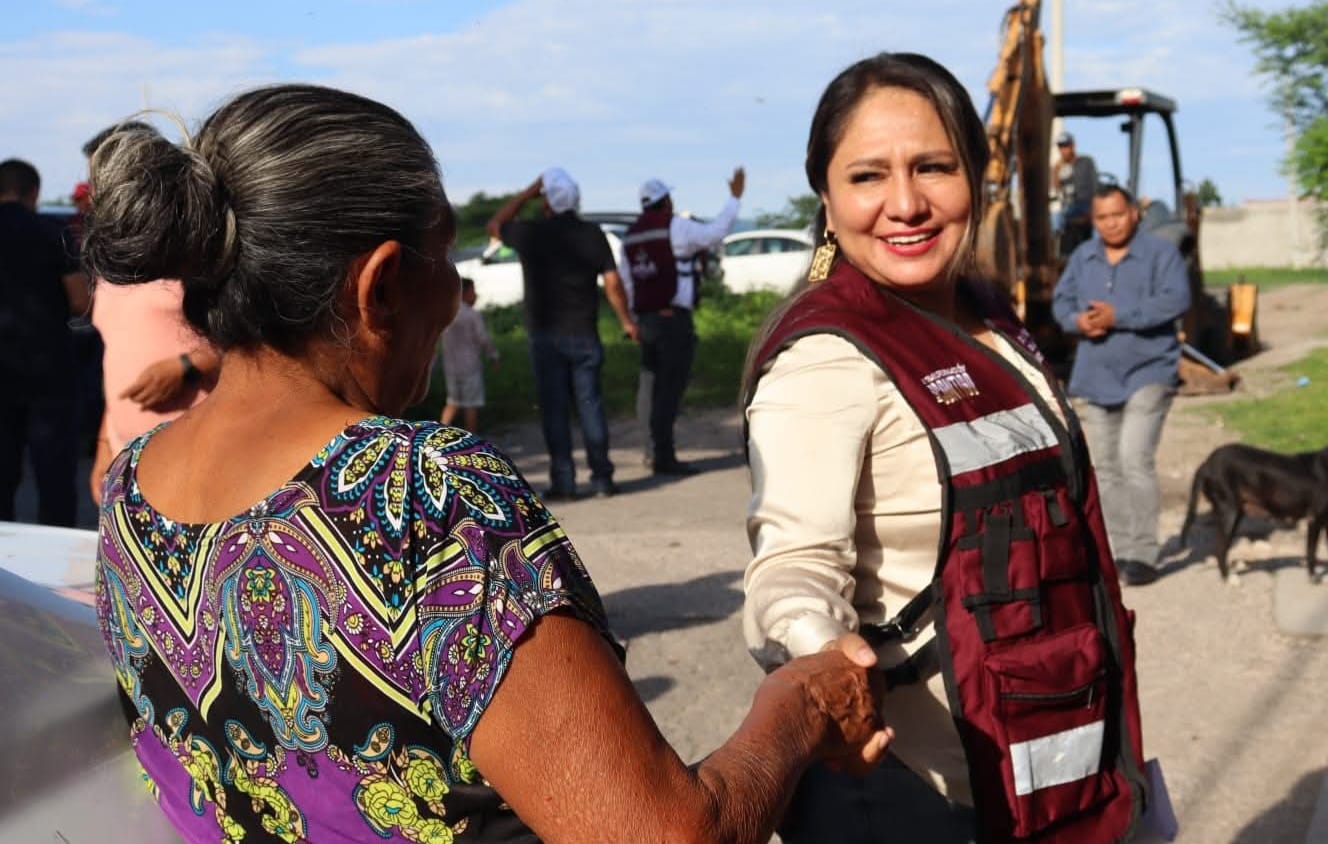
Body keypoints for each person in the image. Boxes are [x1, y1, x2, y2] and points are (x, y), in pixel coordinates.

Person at [85, 83, 888, 843]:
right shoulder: (421, 496)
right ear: (384, 285)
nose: (460, 287)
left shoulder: (129, 487)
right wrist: (800, 703)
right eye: (447, 258)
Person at [742, 53, 1146, 843]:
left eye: (933, 167)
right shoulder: (827, 357)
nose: (905, 203)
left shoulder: (991, 321)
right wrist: (826, 664)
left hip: (1052, 765)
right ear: (826, 199)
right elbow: (789, 565)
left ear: (977, 178)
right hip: (919, 797)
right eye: (867, 176)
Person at [1053, 184, 1192, 587]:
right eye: (1102, 218)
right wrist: (1077, 321)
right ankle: (1117, 550)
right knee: (1106, 468)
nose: (1111, 224)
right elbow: (1062, 304)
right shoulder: (1084, 257)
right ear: (1093, 221)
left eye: (1117, 214)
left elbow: (1176, 300)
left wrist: (1119, 316)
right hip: (1096, 375)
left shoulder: (1160, 253)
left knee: (1134, 458)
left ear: (1134, 213)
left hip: (1149, 372)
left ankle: (1144, 554)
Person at [82, 121, 223, 506]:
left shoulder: (196, 254)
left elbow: (254, 345)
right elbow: (116, 361)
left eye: (106, 177)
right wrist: (103, 445)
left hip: (196, 460)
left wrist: (187, 366)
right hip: (127, 460)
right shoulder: (110, 265)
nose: (97, 191)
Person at [486, 168, 635, 499]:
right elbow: (612, 282)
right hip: (584, 334)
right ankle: (602, 479)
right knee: (590, 406)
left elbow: (494, 225)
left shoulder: (531, 233)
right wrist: (626, 320)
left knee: (554, 411)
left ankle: (564, 483)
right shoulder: (593, 234)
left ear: (546, 203)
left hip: (546, 336)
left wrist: (527, 193)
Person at [620, 168, 743, 475]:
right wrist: (734, 199)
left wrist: (635, 320)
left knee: (650, 387)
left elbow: (628, 281)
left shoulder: (631, 235)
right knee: (669, 390)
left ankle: (652, 449)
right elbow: (715, 233)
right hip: (673, 321)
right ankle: (664, 457)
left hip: (647, 320)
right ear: (665, 202)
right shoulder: (675, 227)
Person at [0, 158, 89, 525]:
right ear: (33, 192)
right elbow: (80, 300)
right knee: (54, 475)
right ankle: (56, 556)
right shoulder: (53, 232)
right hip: (48, 368)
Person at [437, 276, 498, 433]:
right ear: (464, 293)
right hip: (470, 367)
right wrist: (493, 356)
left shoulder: (446, 314)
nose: (476, 295)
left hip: (451, 368)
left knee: (453, 402)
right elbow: (483, 338)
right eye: (473, 291)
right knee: (471, 405)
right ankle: (472, 441)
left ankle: (437, 437)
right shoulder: (472, 315)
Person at [1054, 131, 1099, 255]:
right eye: (1061, 146)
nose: (1063, 150)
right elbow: (1057, 188)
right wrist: (1056, 171)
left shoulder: (1086, 162)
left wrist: (1094, 209)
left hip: (1086, 204)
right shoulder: (1059, 167)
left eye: (1066, 146)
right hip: (1068, 207)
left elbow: (1095, 184)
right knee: (1054, 220)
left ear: (1073, 146)